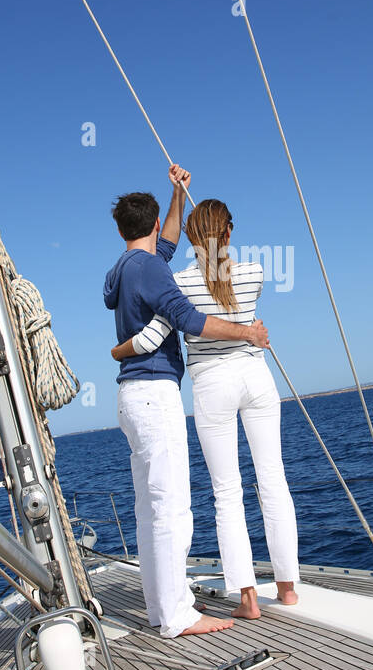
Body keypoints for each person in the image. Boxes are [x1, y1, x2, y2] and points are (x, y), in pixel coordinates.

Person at [112, 197, 299, 620]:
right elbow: (225, 279)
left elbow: (152, 334)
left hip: (211, 385)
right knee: (273, 480)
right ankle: (287, 588)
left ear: (191, 237)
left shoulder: (178, 283)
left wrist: (118, 349)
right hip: (255, 378)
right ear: (228, 232)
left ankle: (248, 598)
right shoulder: (255, 274)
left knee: (226, 493)